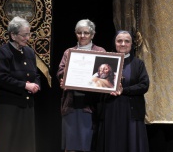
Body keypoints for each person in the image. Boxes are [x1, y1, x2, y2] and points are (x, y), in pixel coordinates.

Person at [95, 30, 150, 152]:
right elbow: (96, 82)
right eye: (119, 41)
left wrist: (123, 90)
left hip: (131, 111)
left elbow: (144, 85)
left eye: (127, 41)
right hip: (111, 110)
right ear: (115, 43)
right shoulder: (106, 62)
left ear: (131, 44)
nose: (123, 44)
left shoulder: (138, 64)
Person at [57, 19, 106, 152]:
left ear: (92, 34)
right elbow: (60, 71)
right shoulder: (69, 52)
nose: (83, 36)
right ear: (75, 34)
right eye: (79, 33)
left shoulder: (100, 51)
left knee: (88, 144)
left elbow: (105, 74)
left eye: (86, 33)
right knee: (71, 145)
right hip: (71, 105)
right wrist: (64, 79)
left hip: (90, 106)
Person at [0, 16, 41, 152]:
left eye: (29, 34)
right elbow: (1, 78)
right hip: (8, 107)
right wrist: (24, 85)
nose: (28, 38)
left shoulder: (30, 52)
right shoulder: (3, 52)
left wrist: (36, 85)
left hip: (26, 106)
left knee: (25, 143)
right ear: (13, 35)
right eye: (24, 35)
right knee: (8, 142)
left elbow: (35, 74)